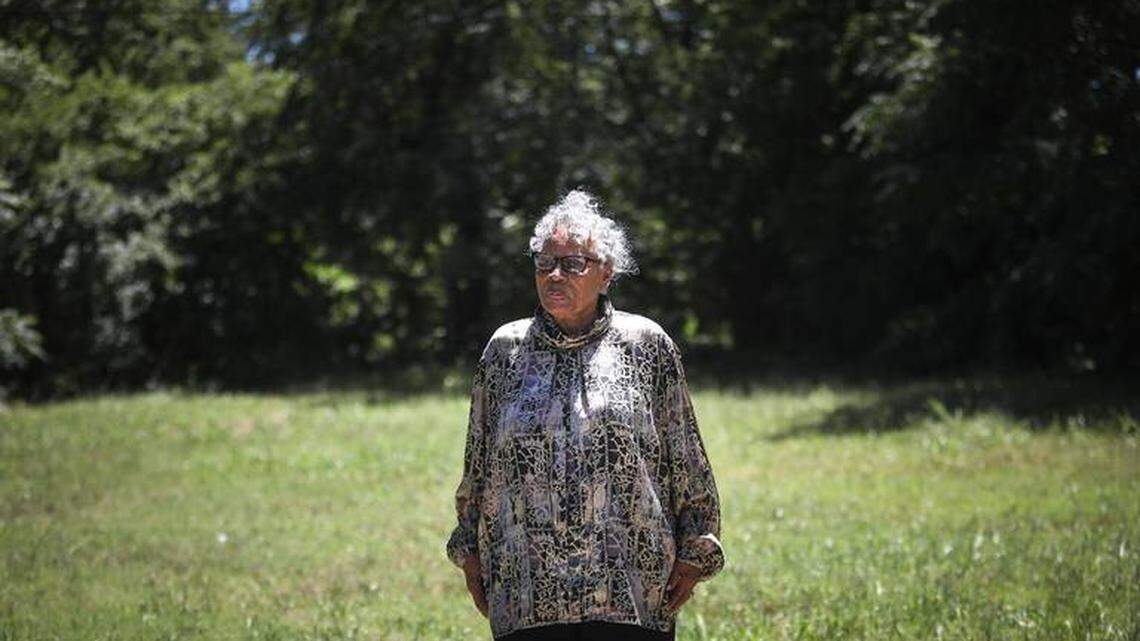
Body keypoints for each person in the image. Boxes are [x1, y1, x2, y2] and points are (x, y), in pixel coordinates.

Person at [445, 189, 725, 640]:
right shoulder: (504, 350)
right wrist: (470, 550)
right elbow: (478, 464)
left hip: (631, 589)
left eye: (573, 264)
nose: (555, 275)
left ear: (607, 273)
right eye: (544, 264)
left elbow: (685, 457)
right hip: (526, 589)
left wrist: (697, 547)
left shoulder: (647, 345)